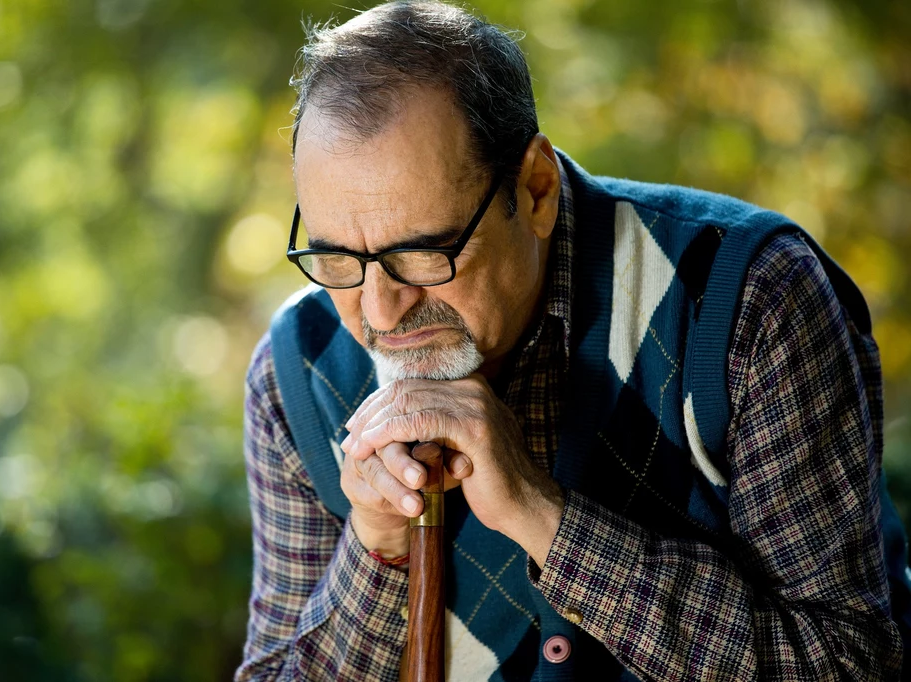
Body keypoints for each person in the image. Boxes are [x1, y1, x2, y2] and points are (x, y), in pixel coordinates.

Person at [235, 2, 910, 680]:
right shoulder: (294, 374)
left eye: (423, 252)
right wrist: (375, 545)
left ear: (535, 190)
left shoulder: (748, 298)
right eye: (336, 259)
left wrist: (543, 517)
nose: (380, 312)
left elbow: (853, 663)